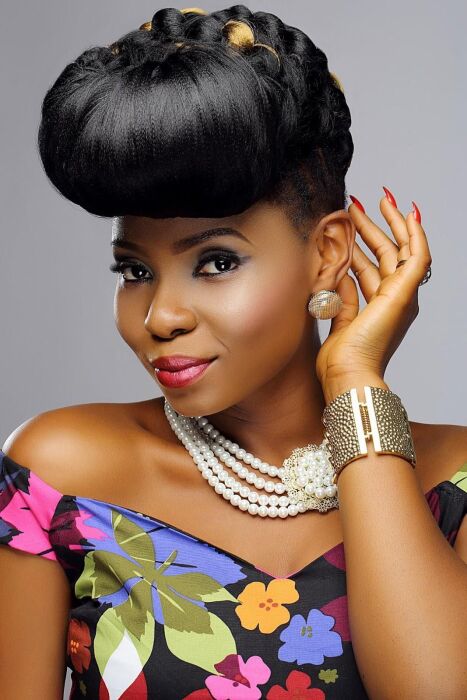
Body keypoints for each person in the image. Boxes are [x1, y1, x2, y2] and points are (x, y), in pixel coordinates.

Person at [0, 5, 466, 699]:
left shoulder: (452, 482)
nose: (160, 317)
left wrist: (355, 383)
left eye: (216, 262)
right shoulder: (63, 476)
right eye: (134, 270)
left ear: (327, 254)